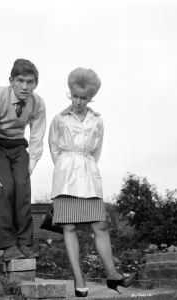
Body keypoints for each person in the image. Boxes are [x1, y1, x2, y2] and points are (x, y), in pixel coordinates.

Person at [48, 68, 136, 296]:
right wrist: (65, 166)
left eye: (83, 97)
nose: (78, 101)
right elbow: (54, 148)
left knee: (100, 225)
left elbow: (97, 150)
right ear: (70, 93)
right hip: (66, 177)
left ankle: (112, 274)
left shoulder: (97, 120)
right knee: (69, 226)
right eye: (75, 95)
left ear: (90, 97)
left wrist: (85, 165)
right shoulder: (59, 119)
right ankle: (79, 278)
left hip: (89, 174)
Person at [0, 59, 46, 261]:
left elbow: (37, 136)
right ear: (11, 81)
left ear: (36, 83)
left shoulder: (38, 104)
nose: (25, 87)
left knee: (23, 188)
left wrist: (30, 165)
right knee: (6, 187)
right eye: (20, 80)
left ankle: (25, 243)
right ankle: (7, 246)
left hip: (17, 146)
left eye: (30, 82)